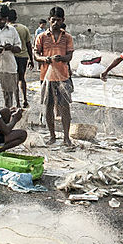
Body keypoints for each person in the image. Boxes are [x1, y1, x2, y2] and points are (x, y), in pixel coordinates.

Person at [34, 9, 74, 147]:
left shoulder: (67, 37)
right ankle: (52, 135)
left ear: (63, 20)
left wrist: (61, 58)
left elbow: (69, 56)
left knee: (64, 107)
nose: (56, 23)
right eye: (53, 20)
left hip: (63, 76)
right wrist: (47, 59)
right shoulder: (42, 37)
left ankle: (66, 137)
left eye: (59, 20)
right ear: (49, 20)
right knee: (48, 106)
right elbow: (36, 55)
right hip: (46, 76)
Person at [7, 8, 35, 108]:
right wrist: (31, 59)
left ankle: (18, 102)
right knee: (22, 79)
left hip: (12, 56)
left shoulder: (7, 29)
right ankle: (25, 99)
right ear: (16, 17)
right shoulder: (24, 28)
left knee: (14, 80)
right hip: (23, 56)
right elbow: (28, 44)